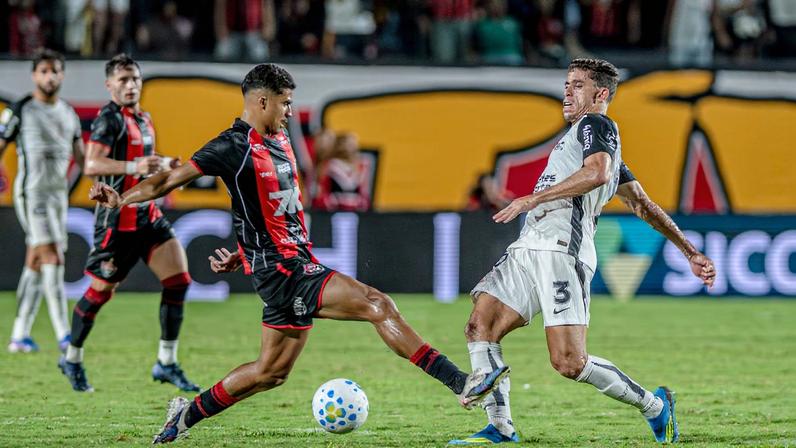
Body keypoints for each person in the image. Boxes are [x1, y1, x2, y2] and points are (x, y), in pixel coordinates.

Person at [88, 63, 509, 444]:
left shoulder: (280, 139)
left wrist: (243, 250)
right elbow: (166, 182)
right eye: (286, 103)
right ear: (262, 101)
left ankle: (185, 416)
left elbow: (271, 208)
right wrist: (118, 200)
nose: (291, 111)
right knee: (377, 304)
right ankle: (461, 382)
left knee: (270, 372)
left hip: (284, 262)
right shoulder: (231, 146)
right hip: (284, 270)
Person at [449, 58, 717, 445]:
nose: (567, 91)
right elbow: (642, 204)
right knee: (481, 325)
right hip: (530, 247)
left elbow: (598, 174)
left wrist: (531, 199)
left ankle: (655, 406)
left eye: (577, 85)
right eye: (567, 83)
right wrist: (690, 251)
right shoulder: (588, 141)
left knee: (569, 363)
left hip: (562, 249)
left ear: (600, 94)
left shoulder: (597, 126)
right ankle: (501, 429)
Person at [58, 53, 199, 394]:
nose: (131, 85)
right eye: (123, 80)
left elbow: (142, 161)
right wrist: (135, 167)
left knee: (179, 281)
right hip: (116, 223)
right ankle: (72, 358)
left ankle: (166, 362)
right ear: (109, 85)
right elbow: (92, 164)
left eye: (135, 78)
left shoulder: (144, 118)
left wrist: (163, 163)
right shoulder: (109, 119)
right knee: (100, 293)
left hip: (148, 217)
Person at [0, 49, 83, 355]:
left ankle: (19, 334)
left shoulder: (68, 113)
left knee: (36, 258)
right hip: (31, 194)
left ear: (62, 75)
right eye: (44, 71)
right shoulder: (20, 109)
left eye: (55, 71)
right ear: (34, 75)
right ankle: (64, 333)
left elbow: (82, 160)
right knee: (52, 255)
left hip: (57, 196)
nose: (50, 76)